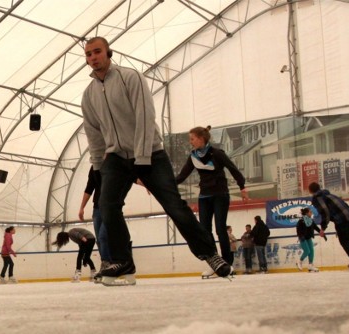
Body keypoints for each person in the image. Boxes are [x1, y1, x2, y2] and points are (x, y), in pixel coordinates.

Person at [81, 36, 232, 286]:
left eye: (97, 52)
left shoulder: (131, 77)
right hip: (116, 158)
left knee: (174, 206)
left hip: (150, 154)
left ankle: (211, 255)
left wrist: (142, 156)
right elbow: (93, 132)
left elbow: (145, 115)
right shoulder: (89, 95)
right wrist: (98, 166)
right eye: (88, 54)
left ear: (109, 53)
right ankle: (123, 263)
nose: (93, 57)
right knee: (107, 207)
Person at [175, 126, 248, 277]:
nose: (191, 142)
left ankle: (226, 263)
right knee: (205, 232)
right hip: (204, 197)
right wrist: (162, 185)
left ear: (201, 139)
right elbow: (182, 176)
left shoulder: (217, 153)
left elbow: (232, 168)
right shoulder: (193, 156)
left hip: (220, 194)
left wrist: (242, 187)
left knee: (220, 229)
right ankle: (214, 262)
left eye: (192, 139)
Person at [309, 182, 349, 271]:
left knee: (344, 239)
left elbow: (325, 212)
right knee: (345, 238)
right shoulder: (327, 194)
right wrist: (338, 226)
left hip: (342, 218)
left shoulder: (317, 198)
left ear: (310, 191)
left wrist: (322, 228)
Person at [78, 166, 111, 272]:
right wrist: (82, 207)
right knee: (100, 240)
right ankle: (107, 264)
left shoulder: (113, 163)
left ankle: (107, 263)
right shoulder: (94, 168)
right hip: (97, 208)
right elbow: (89, 188)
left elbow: (130, 177)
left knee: (103, 236)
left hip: (111, 206)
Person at [295, 207, 321, 272]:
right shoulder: (301, 221)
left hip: (309, 237)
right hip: (303, 238)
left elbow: (316, 227)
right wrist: (300, 236)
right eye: (310, 212)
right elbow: (298, 230)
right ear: (306, 213)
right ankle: (299, 262)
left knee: (311, 251)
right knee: (307, 251)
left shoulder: (311, 220)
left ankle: (310, 266)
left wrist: (321, 232)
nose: (311, 213)